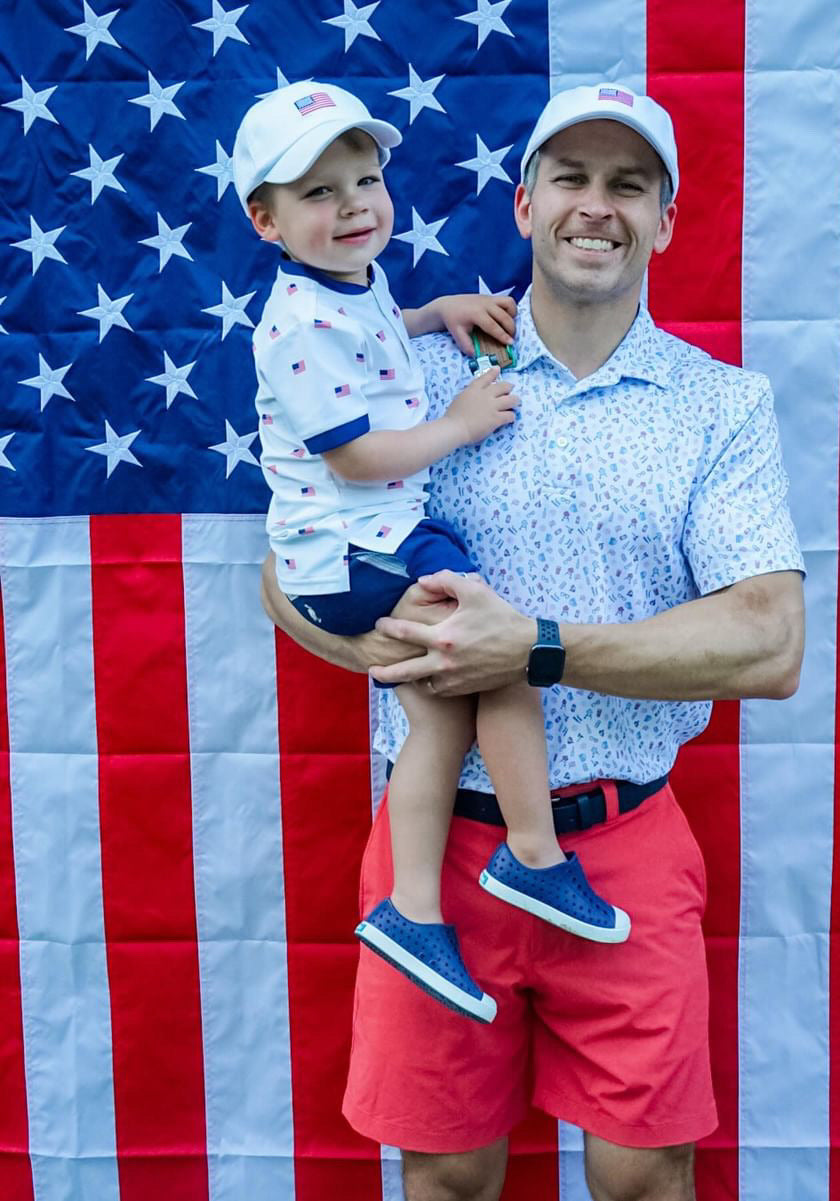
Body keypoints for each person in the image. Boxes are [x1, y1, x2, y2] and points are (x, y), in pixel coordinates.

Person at [261, 82, 806, 1201]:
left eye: (627, 185)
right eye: (570, 178)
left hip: (623, 843)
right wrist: (365, 647)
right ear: (523, 206)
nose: (595, 207)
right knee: (451, 1172)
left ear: (665, 219)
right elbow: (285, 562)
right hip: (439, 852)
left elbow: (768, 641)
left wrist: (536, 648)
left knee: (644, 1170)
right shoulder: (427, 373)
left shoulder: (720, 406)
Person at [233, 82, 631, 1027]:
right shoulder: (294, 323)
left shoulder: (345, 285)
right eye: (319, 193)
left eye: (365, 179)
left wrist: (432, 310)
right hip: (351, 554)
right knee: (508, 655)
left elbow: (371, 334)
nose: (355, 205)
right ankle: (532, 856)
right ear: (266, 220)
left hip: (374, 539)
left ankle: (414, 912)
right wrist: (458, 423)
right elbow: (358, 453)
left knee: (444, 724)